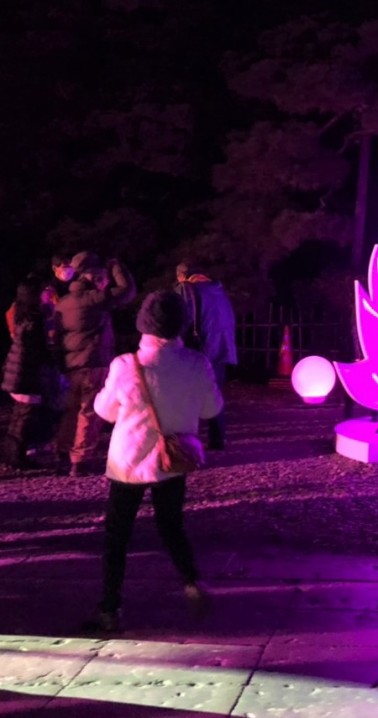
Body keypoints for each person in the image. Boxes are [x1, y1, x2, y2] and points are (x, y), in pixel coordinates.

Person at [86, 290, 223, 632]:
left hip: (127, 461)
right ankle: (191, 580)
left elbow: (103, 410)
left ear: (144, 324)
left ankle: (110, 607)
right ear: (181, 325)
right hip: (173, 459)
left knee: (118, 536)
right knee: (171, 525)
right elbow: (212, 409)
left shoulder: (125, 365)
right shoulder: (196, 363)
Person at [54, 253, 136, 476]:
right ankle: (79, 460)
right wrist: (116, 265)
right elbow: (126, 291)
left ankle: (62, 451)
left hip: (71, 364)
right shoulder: (95, 299)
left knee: (70, 410)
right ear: (90, 275)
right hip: (94, 362)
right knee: (89, 412)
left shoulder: (63, 302)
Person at [174, 262, 236, 450]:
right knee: (215, 393)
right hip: (222, 350)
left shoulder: (187, 290)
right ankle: (218, 439)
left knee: (186, 396)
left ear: (181, 276)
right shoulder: (218, 291)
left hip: (200, 350)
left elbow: (183, 320)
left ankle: (184, 442)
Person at [1, 276, 60, 469]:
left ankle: (11, 456)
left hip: (15, 370)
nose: (45, 295)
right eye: (42, 292)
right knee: (23, 419)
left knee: (18, 416)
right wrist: (49, 360)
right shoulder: (34, 319)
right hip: (25, 374)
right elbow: (36, 350)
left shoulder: (19, 313)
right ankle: (17, 458)